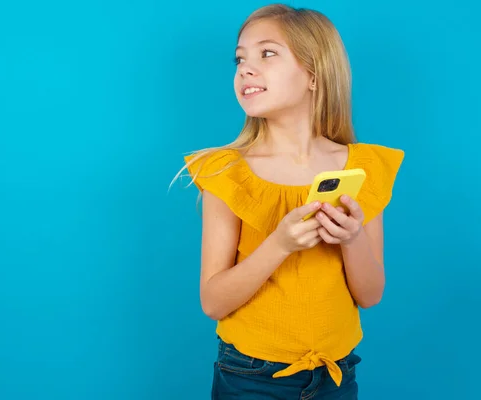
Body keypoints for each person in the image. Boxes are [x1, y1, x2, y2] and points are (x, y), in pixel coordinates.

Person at [173, 4, 404, 399]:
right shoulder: (227, 172)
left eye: (267, 53)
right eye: (240, 58)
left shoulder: (362, 168)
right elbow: (212, 302)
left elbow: (370, 294)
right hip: (249, 377)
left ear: (314, 74)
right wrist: (280, 244)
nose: (245, 68)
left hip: (335, 377)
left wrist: (351, 239)